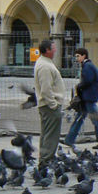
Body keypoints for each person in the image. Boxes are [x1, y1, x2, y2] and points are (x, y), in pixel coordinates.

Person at [64, 48, 98, 150]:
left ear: (84, 56)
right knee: (80, 118)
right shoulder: (88, 65)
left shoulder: (87, 66)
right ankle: (69, 139)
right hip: (87, 97)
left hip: (88, 97)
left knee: (95, 120)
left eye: (78, 56)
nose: (76, 58)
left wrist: (79, 86)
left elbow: (87, 81)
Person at [34, 39, 64, 169]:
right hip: (49, 106)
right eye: (53, 48)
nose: (55, 50)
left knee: (47, 133)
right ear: (47, 50)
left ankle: (45, 159)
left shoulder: (44, 63)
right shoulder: (45, 66)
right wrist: (54, 105)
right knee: (51, 135)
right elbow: (46, 89)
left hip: (46, 105)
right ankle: (46, 161)